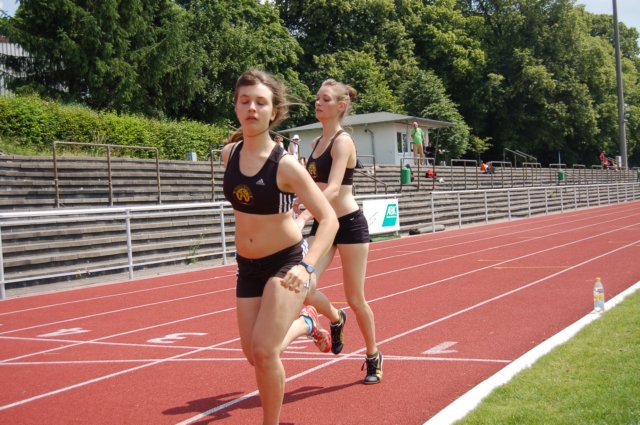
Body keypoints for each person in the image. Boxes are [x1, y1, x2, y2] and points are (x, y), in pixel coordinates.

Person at [222, 69, 339, 425]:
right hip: (247, 266)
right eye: (245, 101)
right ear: (235, 105)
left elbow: (329, 219)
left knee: (265, 351)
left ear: (274, 112)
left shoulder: (285, 165)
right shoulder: (228, 154)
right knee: (252, 354)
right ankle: (307, 322)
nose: (252, 108)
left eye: (261, 102)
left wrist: (307, 266)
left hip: (285, 262)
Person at [295, 78, 383, 384]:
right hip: (324, 223)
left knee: (356, 298)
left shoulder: (343, 142)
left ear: (341, 106)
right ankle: (335, 317)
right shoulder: (315, 143)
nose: (318, 103)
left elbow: (333, 189)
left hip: (348, 224)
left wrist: (305, 214)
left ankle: (373, 355)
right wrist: (298, 201)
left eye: (325, 99)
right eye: (317, 98)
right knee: (305, 287)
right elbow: (313, 186)